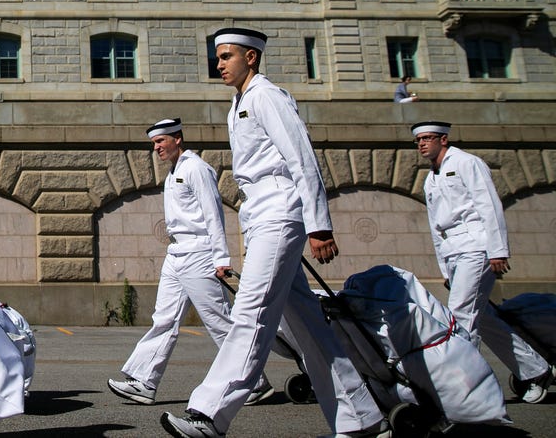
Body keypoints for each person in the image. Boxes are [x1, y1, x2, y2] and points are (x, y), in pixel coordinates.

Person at [161, 27, 386, 438]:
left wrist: (319, 224)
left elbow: (302, 157)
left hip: (281, 210)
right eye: (218, 57)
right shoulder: (240, 103)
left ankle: (210, 414)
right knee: (307, 326)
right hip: (261, 213)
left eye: (226, 56)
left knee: (252, 310)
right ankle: (363, 418)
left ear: (251, 57)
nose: (219, 64)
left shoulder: (266, 95)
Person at [108, 119, 275, 406]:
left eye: (161, 141)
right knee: (164, 318)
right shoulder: (175, 172)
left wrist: (221, 257)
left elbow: (213, 214)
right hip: (176, 254)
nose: (157, 148)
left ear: (177, 139)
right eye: (154, 144)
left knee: (219, 321)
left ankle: (255, 382)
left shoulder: (197, 168)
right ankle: (144, 382)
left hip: (199, 253)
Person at [412, 120, 552, 403]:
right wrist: (444, 267)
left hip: (477, 246)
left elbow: (489, 203)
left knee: (460, 316)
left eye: (428, 138)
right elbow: (435, 226)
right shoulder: (431, 178)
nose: (422, 144)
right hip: (454, 251)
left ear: (444, 140)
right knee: (484, 318)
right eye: (419, 140)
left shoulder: (467, 163)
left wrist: (497, 250)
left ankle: (467, 388)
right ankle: (535, 369)